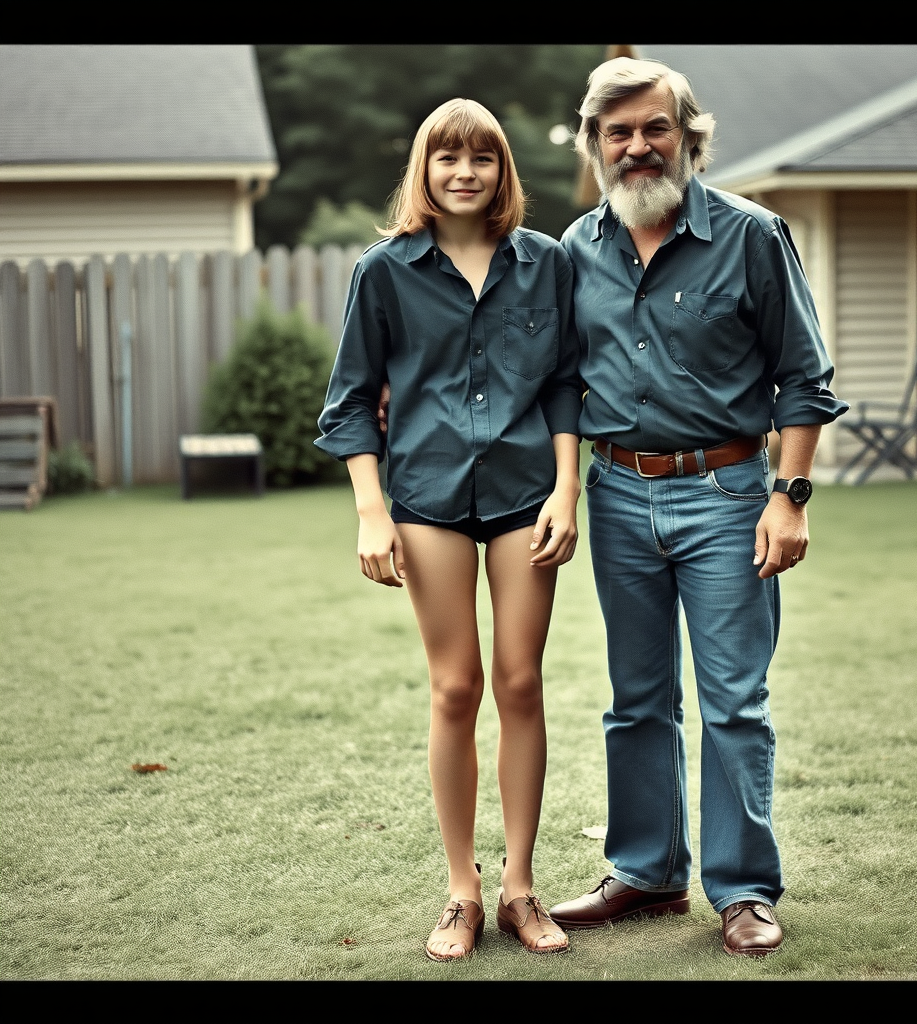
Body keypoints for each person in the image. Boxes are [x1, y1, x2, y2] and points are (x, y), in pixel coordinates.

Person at [545, 56, 848, 957]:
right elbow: (564, 381)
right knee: (636, 698)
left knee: (733, 703)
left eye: (654, 129)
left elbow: (806, 377)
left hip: (727, 494)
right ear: (597, 147)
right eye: (618, 133)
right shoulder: (575, 249)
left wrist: (787, 499)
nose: (637, 148)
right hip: (618, 492)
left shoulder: (754, 236)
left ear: (689, 137)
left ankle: (744, 889)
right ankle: (644, 874)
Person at [314, 98, 580, 962]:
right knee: (455, 688)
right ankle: (462, 891)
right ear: (422, 172)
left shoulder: (546, 264)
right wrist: (370, 512)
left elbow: (566, 385)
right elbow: (350, 400)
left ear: (504, 172)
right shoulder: (383, 271)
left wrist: (566, 489)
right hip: (425, 496)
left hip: (524, 493)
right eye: (447, 158)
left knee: (521, 682)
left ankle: (520, 889)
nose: (465, 172)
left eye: (483, 159)